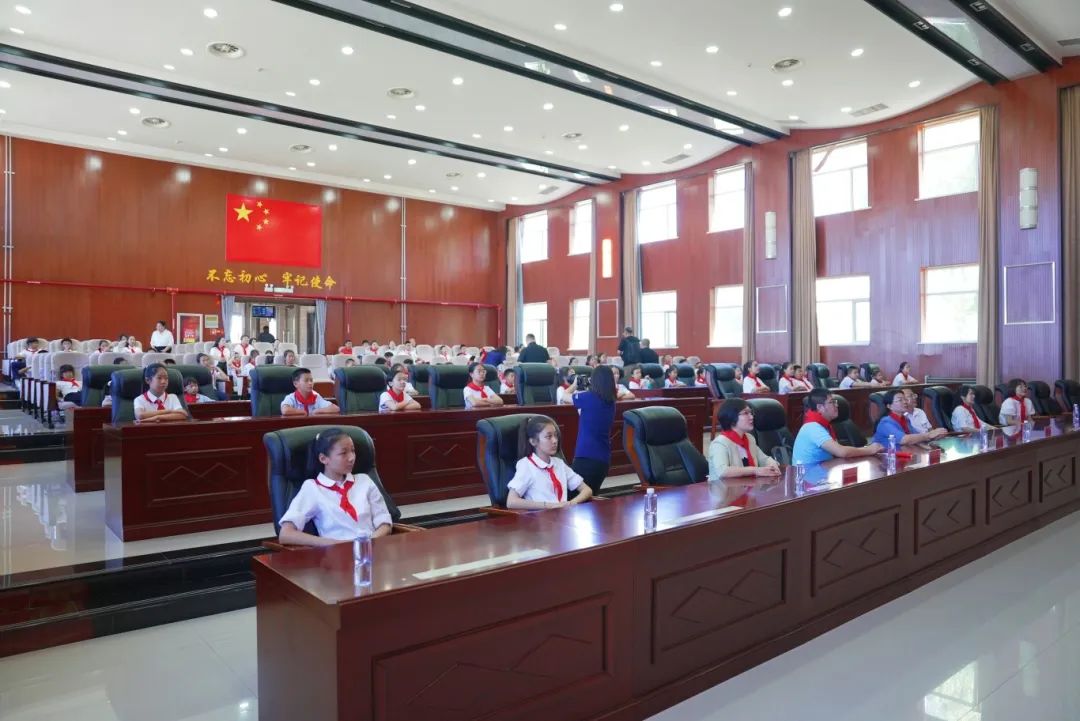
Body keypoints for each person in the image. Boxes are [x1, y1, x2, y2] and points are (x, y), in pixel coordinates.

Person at [277, 428, 392, 545]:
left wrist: (367, 543)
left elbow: (384, 522)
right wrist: (333, 544)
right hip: (336, 552)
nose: (351, 458)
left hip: (372, 548)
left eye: (353, 451)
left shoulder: (364, 481)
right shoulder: (312, 488)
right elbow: (286, 534)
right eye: (343, 453)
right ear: (323, 459)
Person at [506, 416, 593, 510]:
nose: (555, 441)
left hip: (563, 515)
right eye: (549, 437)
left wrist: (572, 503)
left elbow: (586, 490)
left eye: (556, 435)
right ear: (533, 441)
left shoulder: (559, 463)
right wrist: (550, 506)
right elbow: (511, 502)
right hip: (540, 517)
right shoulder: (526, 465)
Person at [792, 388, 884, 464]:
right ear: (820, 407)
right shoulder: (812, 427)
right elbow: (841, 452)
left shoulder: (824, 424)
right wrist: (870, 450)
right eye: (832, 402)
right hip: (807, 476)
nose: (837, 405)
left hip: (824, 469)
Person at [570, 365, 618, 494]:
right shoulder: (611, 402)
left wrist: (574, 384)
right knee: (592, 498)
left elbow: (564, 396)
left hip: (586, 457)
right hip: (603, 460)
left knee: (575, 498)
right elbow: (586, 413)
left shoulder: (589, 398)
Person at [708, 399, 781, 480]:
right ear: (731, 417)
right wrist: (755, 470)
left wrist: (772, 465)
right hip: (724, 487)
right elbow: (722, 471)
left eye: (751, 413)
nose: (751, 417)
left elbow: (764, 459)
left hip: (748, 485)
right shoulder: (720, 443)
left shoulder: (749, 438)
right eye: (746, 413)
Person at [872, 389, 948, 446]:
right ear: (889, 406)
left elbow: (916, 436)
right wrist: (929, 435)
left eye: (905, 399)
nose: (905, 402)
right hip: (885, 457)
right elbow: (904, 439)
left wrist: (936, 435)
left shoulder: (906, 419)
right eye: (900, 400)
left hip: (904, 454)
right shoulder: (885, 422)